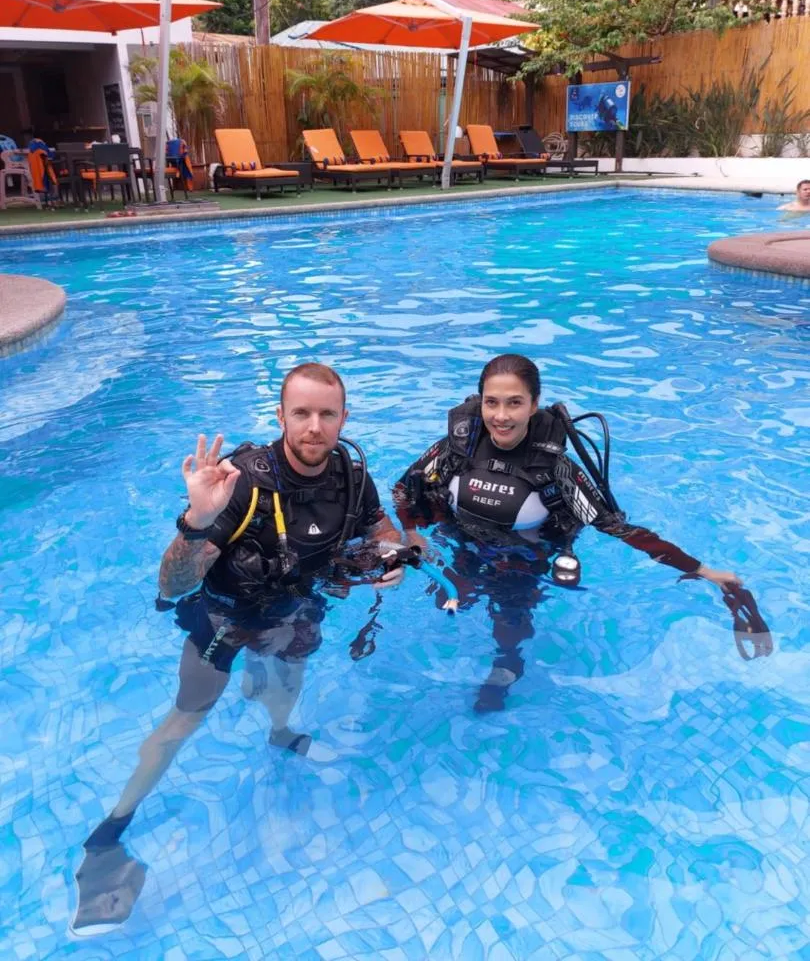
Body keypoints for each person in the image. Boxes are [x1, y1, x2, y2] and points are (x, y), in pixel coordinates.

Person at [84, 363, 404, 853]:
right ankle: (113, 826)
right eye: (301, 413)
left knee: (289, 681)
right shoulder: (240, 483)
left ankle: (280, 732)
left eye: (326, 413)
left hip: (297, 609)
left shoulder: (352, 477)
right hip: (224, 618)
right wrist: (197, 521)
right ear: (280, 416)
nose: (314, 426)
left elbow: (378, 526)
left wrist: (390, 553)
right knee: (186, 718)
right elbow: (171, 586)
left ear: (344, 417)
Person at [393, 353, 771, 711]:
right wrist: (412, 535)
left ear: (534, 403)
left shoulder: (554, 469)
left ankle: (508, 664)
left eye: (514, 403)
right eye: (492, 403)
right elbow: (404, 489)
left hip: (521, 560)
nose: (501, 416)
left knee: (509, 621)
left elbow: (619, 529)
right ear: (480, 403)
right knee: (448, 603)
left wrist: (703, 570)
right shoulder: (455, 449)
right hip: (463, 544)